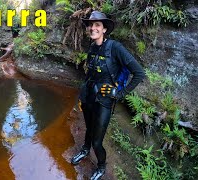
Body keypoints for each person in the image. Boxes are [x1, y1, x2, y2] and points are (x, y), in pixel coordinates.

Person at [71, 11, 145, 180]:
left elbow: (139, 73)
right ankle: (84, 150)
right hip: (89, 97)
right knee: (89, 129)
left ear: (104, 29)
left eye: (97, 25)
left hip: (104, 101)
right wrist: (81, 97)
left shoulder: (115, 48)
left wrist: (119, 93)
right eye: (91, 24)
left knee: (97, 141)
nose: (92, 28)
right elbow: (89, 76)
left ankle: (101, 166)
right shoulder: (92, 48)